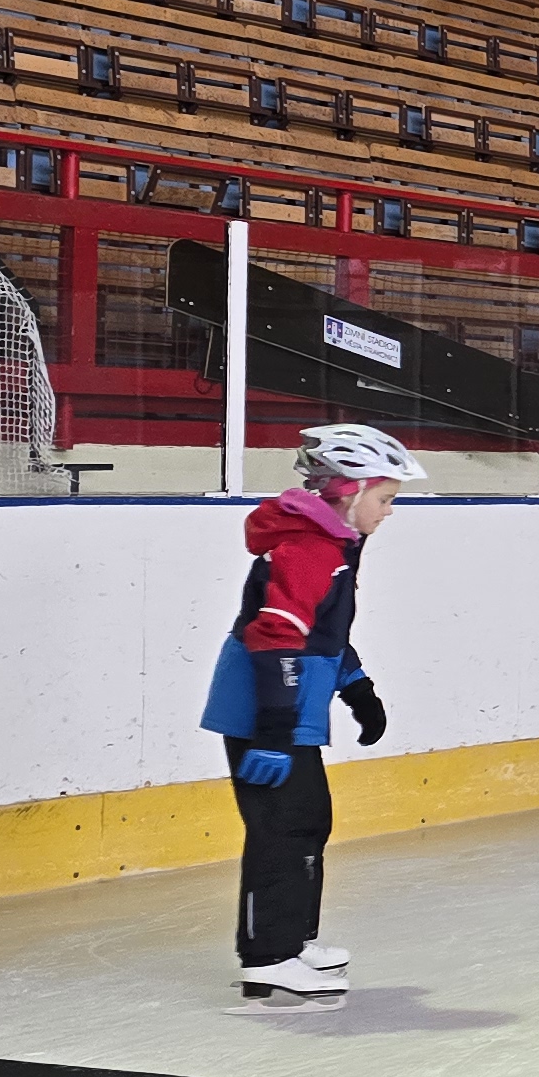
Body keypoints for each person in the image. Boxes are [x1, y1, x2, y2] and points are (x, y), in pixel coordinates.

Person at [199, 422, 422, 1001]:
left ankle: (292, 941)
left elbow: (323, 635)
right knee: (280, 829)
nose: (389, 511)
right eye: (385, 497)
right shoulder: (309, 550)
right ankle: (267, 957)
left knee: (308, 822)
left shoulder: (334, 546)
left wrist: (358, 690)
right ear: (350, 491)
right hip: (264, 710)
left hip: (290, 706)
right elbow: (276, 639)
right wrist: (274, 731)